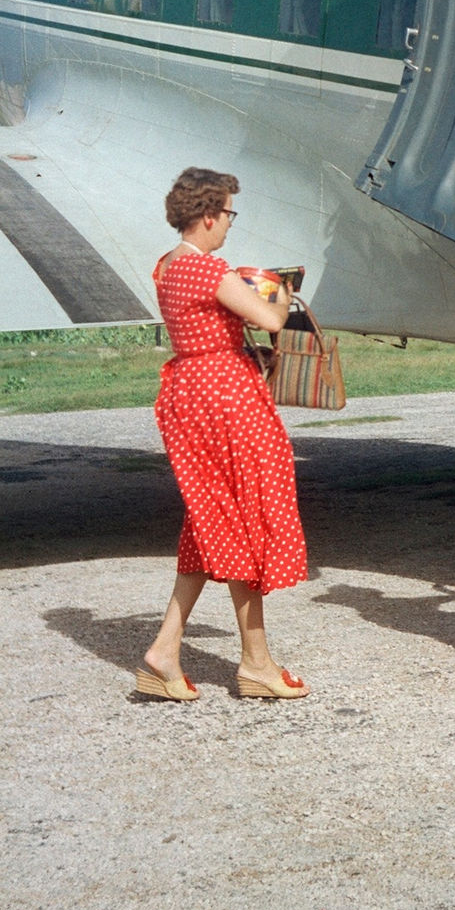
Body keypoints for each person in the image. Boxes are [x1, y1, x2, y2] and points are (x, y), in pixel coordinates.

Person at [140, 167, 310, 702]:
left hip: (194, 389)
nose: (230, 226)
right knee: (247, 514)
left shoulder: (168, 267)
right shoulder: (208, 269)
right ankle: (256, 663)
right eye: (229, 214)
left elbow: (206, 334)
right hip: (225, 401)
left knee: (216, 519)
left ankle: (166, 651)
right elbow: (272, 319)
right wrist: (283, 291)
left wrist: (238, 351)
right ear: (209, 215)